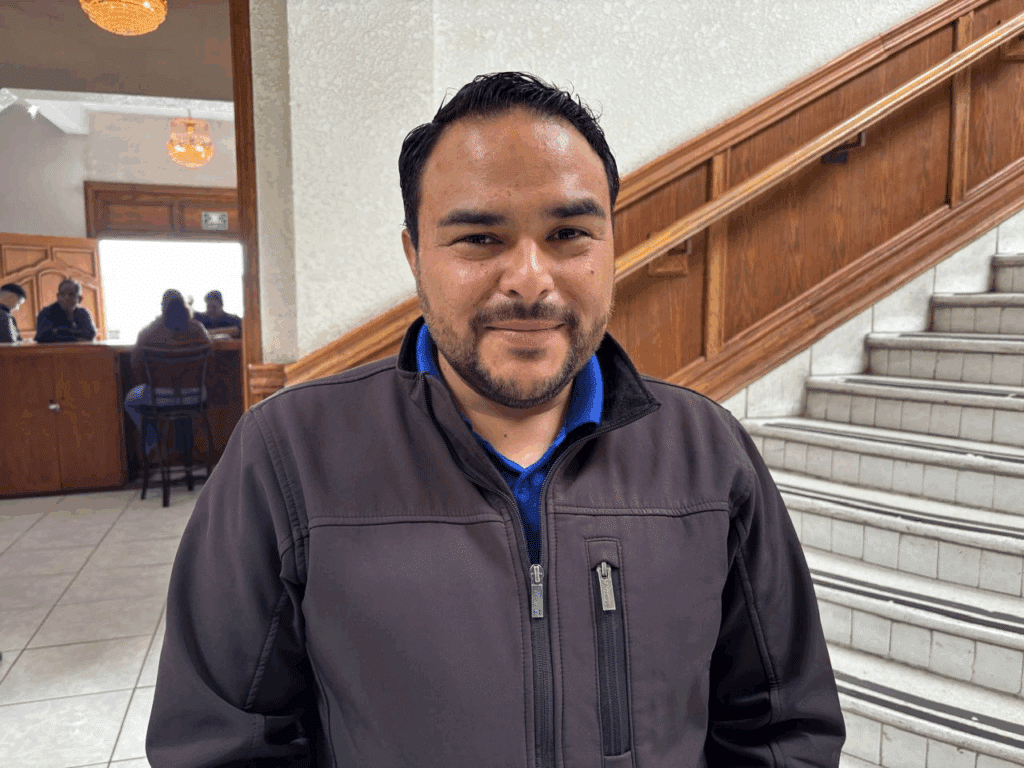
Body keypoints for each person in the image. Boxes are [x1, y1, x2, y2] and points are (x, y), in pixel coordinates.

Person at [147, 72, 845, 767]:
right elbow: (220, 746)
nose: (530, 279)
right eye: (480, 238)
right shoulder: (288, 456)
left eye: (569, 233)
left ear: (611, 245)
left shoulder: (709, 453)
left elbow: (781, 731)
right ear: (416, 256)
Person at [124, 290, 211, 456]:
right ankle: (187, 454)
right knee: (188, 405)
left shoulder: (149, 333)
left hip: (159, 398)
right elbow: (211, 361)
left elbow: (135, 364)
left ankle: (152, 441)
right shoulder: (198, 329)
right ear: (185, 306)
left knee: (130, 400)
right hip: (195, 397)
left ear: (162, 308)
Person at [34, 278, 96, 343]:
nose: (66, 297)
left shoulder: (83, 313)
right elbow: (42, 337)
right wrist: (76, 338)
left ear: (80, 299)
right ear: (58, 296)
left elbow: (91, 334)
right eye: (62, 294)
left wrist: (58, 331)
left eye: (71, 294)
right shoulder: (46, 312)